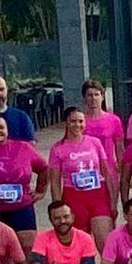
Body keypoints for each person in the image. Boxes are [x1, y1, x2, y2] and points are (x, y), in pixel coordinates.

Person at [48, 107, 116, 252]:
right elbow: (54, 181)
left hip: (98, 195)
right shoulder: (57, 148)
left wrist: (113, 201)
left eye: (81, 121)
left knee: (105, 241)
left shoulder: (95, 143)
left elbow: (106, 172)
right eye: (73, 121)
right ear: (66, 123)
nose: (77, 125)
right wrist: (57, 206)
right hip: (73, 197)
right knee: (80, 245)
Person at [0, 114, 48, 249]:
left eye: (1, 127)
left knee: (28, 249)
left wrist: (40, 191)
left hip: (22, 208)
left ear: (7, 129)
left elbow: (44, 168)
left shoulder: (23, 147)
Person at [81, 79, 125, 165]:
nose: (93, 98)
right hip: (87, 169)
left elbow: (119, 148)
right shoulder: (80, 121)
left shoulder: (114, 120)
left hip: (109, 168)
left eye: (96, 94)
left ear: (102, 97)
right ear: (85, 98)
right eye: (90, 95)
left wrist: (122, 169)